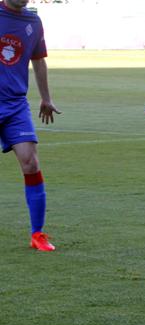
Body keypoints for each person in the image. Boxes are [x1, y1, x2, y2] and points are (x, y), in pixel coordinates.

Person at [1, 0, 62, 251]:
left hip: (15, 104)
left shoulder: (33, 22)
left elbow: (38, 61)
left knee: (31, 162)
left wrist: (46, 98)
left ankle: (38, 234)